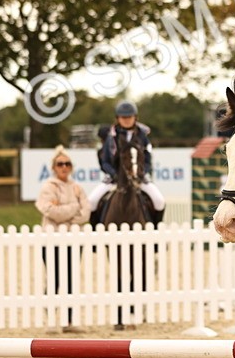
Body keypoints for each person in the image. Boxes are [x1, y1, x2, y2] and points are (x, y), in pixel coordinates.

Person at [35, 146, 91, 326]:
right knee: (55, 277)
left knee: (71, 279)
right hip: (51, 240)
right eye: (60, 164)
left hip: (73, 240)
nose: (64, 167)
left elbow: (86, 214)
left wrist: (62, 210)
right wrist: (73, 209)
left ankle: (69, 320)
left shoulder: (77, 188)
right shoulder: (48, 187)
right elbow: (50, 211)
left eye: (67, 164)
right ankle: (51, 317)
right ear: (54, 167)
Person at [88, 100, 166, 224]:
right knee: (91, 201)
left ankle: (155, 235)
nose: (126, 120)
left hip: (139, 177)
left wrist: (141, 174)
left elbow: (147, 160)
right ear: (117, 118)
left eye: (129, 117)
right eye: (123, 117)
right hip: (114, 178)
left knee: (159, 201)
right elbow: (105, 162)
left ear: (135, 117)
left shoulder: (142, 136)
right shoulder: (111, 137)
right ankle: (94, 237)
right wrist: (114, 174)